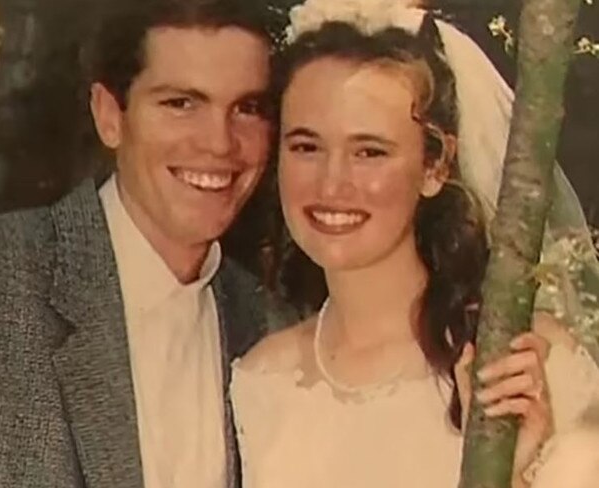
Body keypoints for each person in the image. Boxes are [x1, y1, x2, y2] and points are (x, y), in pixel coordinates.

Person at [230, 2, 599, 487]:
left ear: (434, 166)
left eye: (370, 152)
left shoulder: (519, 363)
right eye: (307, 147)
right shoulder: (262, 381)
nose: (332, 182)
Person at [0, 0, 292, 487]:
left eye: (247, 108)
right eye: (181, 103)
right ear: (109, 115)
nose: (219, 142)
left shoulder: (270, 329)